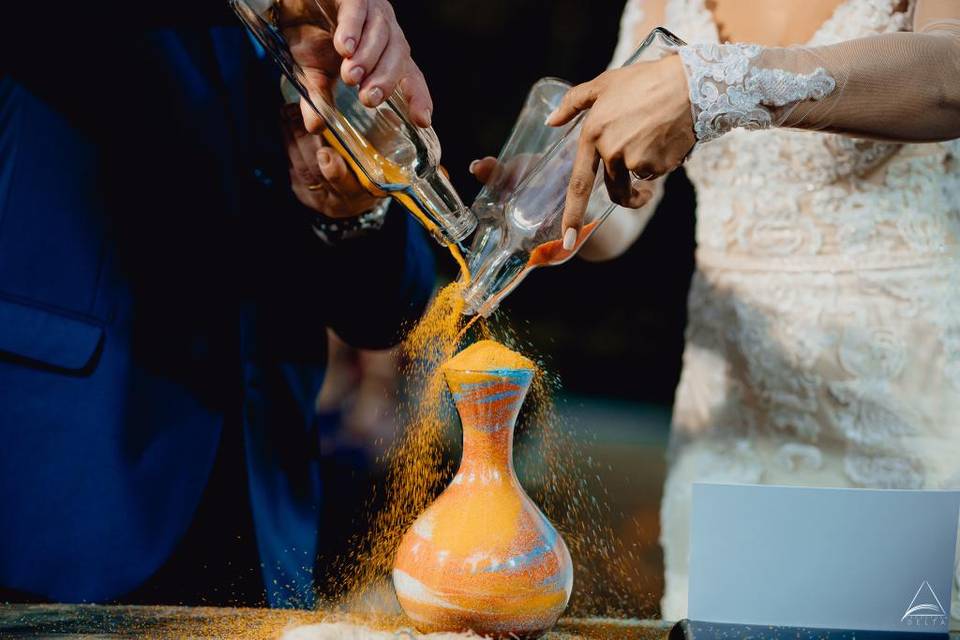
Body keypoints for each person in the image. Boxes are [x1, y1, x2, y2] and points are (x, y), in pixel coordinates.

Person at [0, 0, 434, 608]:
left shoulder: (341, 20)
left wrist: (359, 213)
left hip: (263, 525)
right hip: (60, 493)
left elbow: (390, 313)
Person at [546, 0, 960, 624]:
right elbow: (623, 211)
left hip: (906, 430)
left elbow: (949, 79)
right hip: (730, 445)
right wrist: (557, 205)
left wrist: (715, 81)